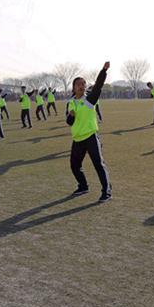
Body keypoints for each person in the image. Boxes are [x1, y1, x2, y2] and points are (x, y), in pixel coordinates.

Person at [67, 61, 112, 203]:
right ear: (74, 88)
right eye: (78, 84)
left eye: (83, 84)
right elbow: (69, 122)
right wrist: (71, 116)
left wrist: (103, 71)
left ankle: (106, 192)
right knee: (74, 166)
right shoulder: (70, 103)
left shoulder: (89, 100)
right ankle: (83, 186)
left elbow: (98, 86)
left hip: (91, 137)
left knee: (98, 164)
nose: (81, 86)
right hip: (77, 139)